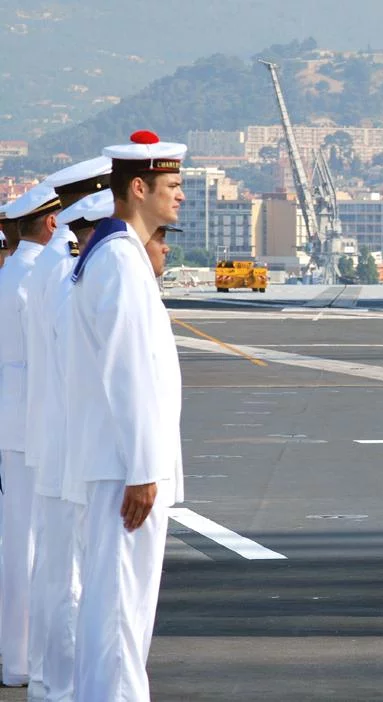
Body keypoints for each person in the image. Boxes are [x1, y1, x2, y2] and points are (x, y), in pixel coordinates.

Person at [66, 131, 186, 701]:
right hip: (125, 468)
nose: (180, 196)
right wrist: (142, 469)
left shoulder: (120, 256)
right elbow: (128, 371)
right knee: (119, 611)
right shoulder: (119, 261)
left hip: (123, 462)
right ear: (139, 188)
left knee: (120, 609)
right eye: (172, 185)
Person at [23, 157, 111, 700]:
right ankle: (62, 684)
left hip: (54, 438)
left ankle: (50, 679)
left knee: (57, 568)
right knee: (70, 575)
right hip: (70, 441)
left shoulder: (50, 264)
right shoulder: (69, 270)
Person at [0, 183, 62, 687]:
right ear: (51, 223)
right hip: (33, 421)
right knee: (34, 543)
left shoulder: (11, 272)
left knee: (18, 539)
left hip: (14, 419)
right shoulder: (37, 277)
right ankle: (26, 659)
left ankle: (16, 656)